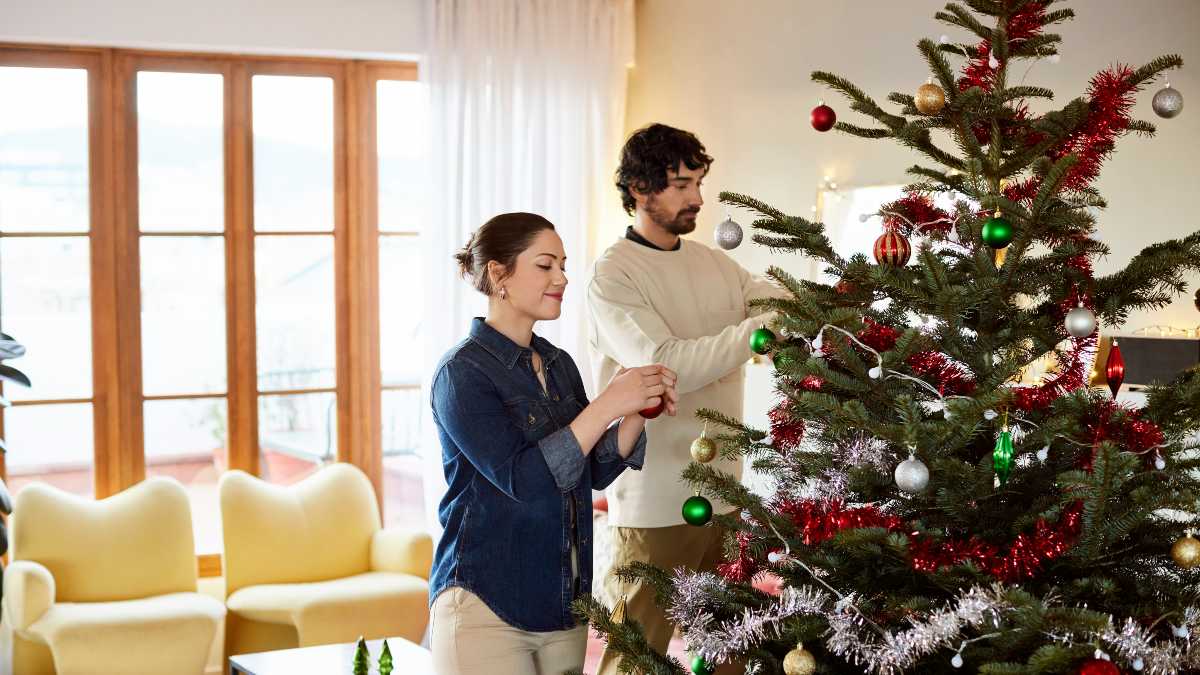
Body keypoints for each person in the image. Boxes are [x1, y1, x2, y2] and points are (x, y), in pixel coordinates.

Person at [428, 211, 679, 675]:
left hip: (564, 606)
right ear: (498, 274)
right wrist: (606, 404)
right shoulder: (461, 374)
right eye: (545, 265)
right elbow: (525, 480)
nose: (562, 277)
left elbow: (590, 469)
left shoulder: (558, 364)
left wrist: (637, 410)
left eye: (563, 264)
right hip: (486, 606)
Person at [587, 124, 783, 675]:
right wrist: (757, 332)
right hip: (654, 502)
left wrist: (785, 314)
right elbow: (668, 365)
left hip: (726, 491)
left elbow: (781, 302)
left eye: (697, 181)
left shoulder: (716, 264)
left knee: (729, 657)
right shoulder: (614, 275)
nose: (696, 198)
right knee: (636, 659)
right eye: (678, 184)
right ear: (638, 188)